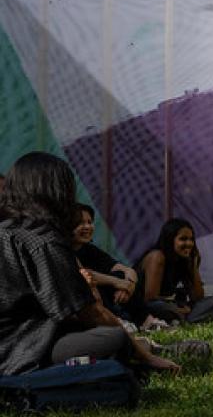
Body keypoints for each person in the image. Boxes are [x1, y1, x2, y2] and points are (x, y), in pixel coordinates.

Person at [0, 152, 177, 376]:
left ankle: (142, 348)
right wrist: (148, 358)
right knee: (114, 337)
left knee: (109, 334)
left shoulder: (7, 231)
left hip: (14, 347)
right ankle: (145, 354)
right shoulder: (43, 240)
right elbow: (91, 313)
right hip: (27, 353)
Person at [133, 218, 213, 324]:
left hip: (173, 307)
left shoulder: (182, 260)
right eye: (183, 239)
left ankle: (180, 320)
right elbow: (150, 299)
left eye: (191, 239)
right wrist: (177, 306)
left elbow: (198, 297)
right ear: (170, 240)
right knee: (159, 306)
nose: (189, 243)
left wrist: (192, 265)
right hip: (147, 307)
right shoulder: (157, 257)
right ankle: (183, 319)